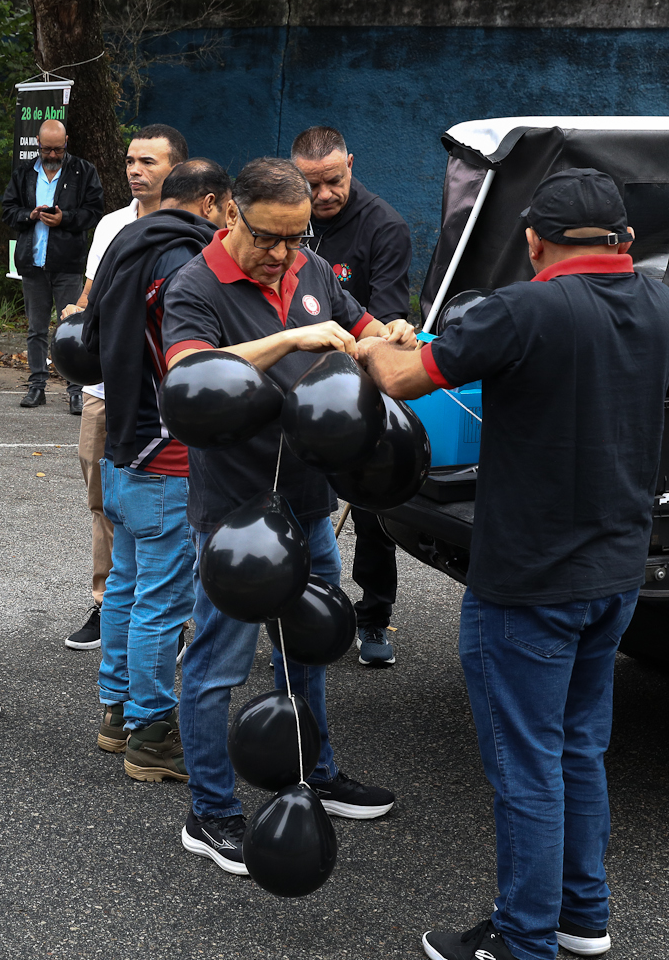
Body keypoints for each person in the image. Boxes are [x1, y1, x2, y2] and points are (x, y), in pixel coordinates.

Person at [358, 169, 669, 960]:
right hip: (615, 570)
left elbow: (401, 378)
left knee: (526, 763)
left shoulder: (523, 307)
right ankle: (581, 914)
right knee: (576, 746)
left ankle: (523, 938)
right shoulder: (660, 303)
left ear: (533, 240)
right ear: (625, 241)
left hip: (529, 578)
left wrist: (372, 338)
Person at [162, 157, 407, 875]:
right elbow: (189, 373)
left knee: (308, 649)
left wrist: (384, 331)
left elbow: (356, 325)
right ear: (229, 214)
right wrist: (289, 340)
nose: (282, 254)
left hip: (306, 495)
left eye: (296, 238)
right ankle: (209, 811)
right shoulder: (193, 284)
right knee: (216, 663)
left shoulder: (310, 270)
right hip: (236, 515)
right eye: (270, 237)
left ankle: (314, 771)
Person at [80, 161, 228, 781]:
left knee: (125, 586)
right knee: (162, 604)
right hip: (164, 455)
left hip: (122, 440)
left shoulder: (127, 243)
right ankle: (151, 735)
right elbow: (187, 368)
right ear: (214, 203)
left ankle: (117, 715)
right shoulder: (183, 262)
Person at [292, 125, 413, 668]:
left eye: (332, 182)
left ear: (351, 164)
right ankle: (286, 606)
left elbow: (383, 323)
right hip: (291, 376)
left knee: (369, 508)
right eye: (310, 185)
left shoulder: (384, 226)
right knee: (291, 500)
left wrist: (370, 340)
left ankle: (374, 614)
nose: (322, 197)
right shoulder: (289, 219)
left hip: (359, 379)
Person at [62, 124, 187, 651]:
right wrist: (77, 317)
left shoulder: (192, 234)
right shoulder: (112, 225)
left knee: (167, 516)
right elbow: (91, 299)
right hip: (105, 393)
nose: (135, 170)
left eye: (149, 163)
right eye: (131, 161)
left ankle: (172, 617)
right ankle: (107, 599)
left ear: (176, 169)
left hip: (164, 404)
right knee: (104, 502)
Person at [0, 119, 106, 412]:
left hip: (68, 264)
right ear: (38, 143)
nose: (53, 155)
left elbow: (94, 212)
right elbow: (8, 211)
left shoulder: (83, 171)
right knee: (36, 329)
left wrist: (65, 219)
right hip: (32, 263)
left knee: (72, 326)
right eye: (47, 149)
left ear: (66, 142)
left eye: (58, 149)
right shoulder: (23, 173)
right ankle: (37, 386)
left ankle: (75, 390)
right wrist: (28, 215)